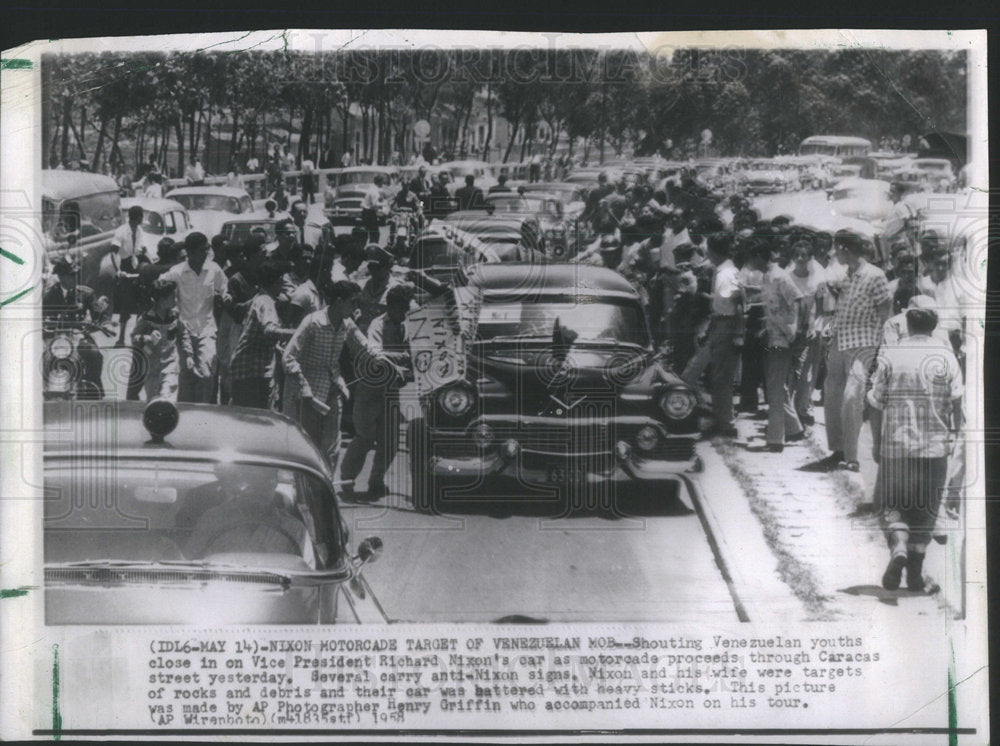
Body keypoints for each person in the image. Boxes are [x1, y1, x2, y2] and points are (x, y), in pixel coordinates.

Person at [868, 307, 963, 592]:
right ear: (933, 327)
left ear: (907, 325)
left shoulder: (891, 354)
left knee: (890, 504)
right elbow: (957, 402)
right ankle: (915, 577)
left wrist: (876, 441)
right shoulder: (947, 356)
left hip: (897, 445)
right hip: (934, 447)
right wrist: (954, 436)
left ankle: (898, 546)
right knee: (925, 510)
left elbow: (875, 403)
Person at [817, 230, 892, 472]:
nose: (833, 254)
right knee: (832, 394)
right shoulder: (846, 277)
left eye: (835, 248)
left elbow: (885, 315)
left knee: (852, 398)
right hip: (840, 341)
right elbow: (840, 312)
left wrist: (883, 349)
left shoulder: (875, 276)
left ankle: (852, 457)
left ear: (844, 248)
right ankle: (838, 450)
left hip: (863, 343)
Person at [281, 281, 372, 473]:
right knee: (308, 447)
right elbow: (288, 357)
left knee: (331, 448)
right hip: (309, 396)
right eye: (352, 302)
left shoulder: (347, 324)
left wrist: (392, 359)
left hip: (333, 390)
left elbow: (367, 348)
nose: (356, 308)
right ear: (339, 301)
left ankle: (325, 489)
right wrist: (303, 386)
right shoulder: (313, 322)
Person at [339, 285, 414, 501]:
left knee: (390, 439)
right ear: (391, 306)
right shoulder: (377, 324)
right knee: (364, 437)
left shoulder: (409, 324)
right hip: (370, 389)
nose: (404, 313)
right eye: (402, 308)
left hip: (391, 390)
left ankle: (376, 479)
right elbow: (376, 352)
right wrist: (401, 359)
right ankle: (347, 478)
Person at [682, 232, 742, 437]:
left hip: (726, 325)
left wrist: (737, 334)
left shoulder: (727, 273)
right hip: (718, 322)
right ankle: (717, 417)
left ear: (715, 251)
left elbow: (737, 304)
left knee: (720, 376)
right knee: (702, 371)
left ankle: (725, 423)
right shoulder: (723, 270)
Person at [160, 232, 229, 403]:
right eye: (202, 250)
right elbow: (160, 286)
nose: (206, 253)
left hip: (207, 329)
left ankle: (203, 412)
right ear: (190, 253)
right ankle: (186, 415)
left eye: (207, 249)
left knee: (207, 374)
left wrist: (226, 296)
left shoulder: (214, 269)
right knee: (186, 376)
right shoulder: (177, 272)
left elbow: (225, 288)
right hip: (184, 333)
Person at [185, 464, 307, 560]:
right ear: (237, 484)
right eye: (253, 481)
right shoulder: (213, 519)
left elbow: (304, 577)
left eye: (267, 481)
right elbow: (191, 561)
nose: (260, 489)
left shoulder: (293, 528)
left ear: (275, 484)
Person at [752, 240, 807, 451]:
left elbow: (800, 300)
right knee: (775, 384)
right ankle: (793, 428)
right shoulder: (767, 276)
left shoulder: (780, 276)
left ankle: (775, 440)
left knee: (774, 389)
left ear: (759, 256)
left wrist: (798, 330)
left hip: (783, 338)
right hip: (770, 336)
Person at [229, 261, 296, 409]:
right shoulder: (266, 302)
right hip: (252, 372)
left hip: (246, 370)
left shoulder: (259, 298)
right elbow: (269, 330)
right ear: (277, 281)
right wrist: (296, 333)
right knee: (255, 420)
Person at [42, 257, 110, 400]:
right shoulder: (50, 295)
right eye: (70, 275)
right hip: (57, 338)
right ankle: (47, 391)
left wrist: (101, 322)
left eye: (75, 274)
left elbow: (98, 315)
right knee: (46, 359)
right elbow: (42, 317)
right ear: (61, 276)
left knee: (94, 354)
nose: (74, 277)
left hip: (80, 336)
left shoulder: (86, 293)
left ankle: (93, 387)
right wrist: (43, 327)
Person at [130, 279, 185, 402]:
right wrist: (148, 338)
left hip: (170, 365)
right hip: (151, 369)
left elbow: (183, 333)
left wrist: (189, 353)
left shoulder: (175, 316)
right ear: (162, 300)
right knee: (153, 400)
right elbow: (134, 338)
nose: (175, 300)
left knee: (168, 396)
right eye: (172, 297)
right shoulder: (146, 318)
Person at [110, 204, 148, 347]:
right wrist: (118, 270)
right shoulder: (121, 231)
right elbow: (113, 252)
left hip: (136, 265)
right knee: (125, 305)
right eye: (141, 217)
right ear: (138, 217)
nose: (142, 219)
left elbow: (143, 250)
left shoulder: (139, 231)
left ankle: (137, 335)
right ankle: (121, 338)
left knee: (141, 301)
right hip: (125, 267)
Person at [360, 175, 387, 245]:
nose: (383, 184)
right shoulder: (374, 191)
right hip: (369, 213)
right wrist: (385, 204)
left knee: (370, 232)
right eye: (382, 182)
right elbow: (375, 204)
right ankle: (373, 248)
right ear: (379, 182)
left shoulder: (373, 189)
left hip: (367, 212)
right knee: (375, 233)